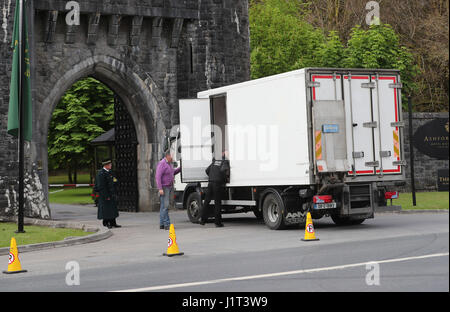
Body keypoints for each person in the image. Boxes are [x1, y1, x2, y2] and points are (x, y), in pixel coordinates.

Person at [200, 151, 230, 227]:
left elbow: (207, 170)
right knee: (217, 203)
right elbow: (224, 171)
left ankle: (202, 220)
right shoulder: (225, 161)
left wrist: (211, 176)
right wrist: (225, 179)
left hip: (210, 183)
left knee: (206, 202)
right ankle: (217, 222)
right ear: (225, 154)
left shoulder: (215, 161)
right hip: (217, 184)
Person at [155, 150, 181, 230]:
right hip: (164, 188)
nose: (173, 157)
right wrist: (160, 188)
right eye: (172, 156)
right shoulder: (162, 164)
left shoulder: (169, 164)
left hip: (169, 187)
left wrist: (180, 168)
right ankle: (167, 224)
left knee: (163, 206)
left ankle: (162, 224)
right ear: (167, 156)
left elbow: (173, 172)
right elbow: (158, 177)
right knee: (165, 206)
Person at [94, 159, 121, 229]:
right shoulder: (101, 173)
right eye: (110, 165)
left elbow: (114, 180)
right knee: (106, 210)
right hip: (105, 194)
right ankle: (106, 223)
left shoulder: (111, 172)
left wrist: (115, 182)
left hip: (112, 193)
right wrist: (106, 196)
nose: (111, 165)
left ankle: (113, 222)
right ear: (106, 165)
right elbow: (101, 186)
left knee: (112, 209)